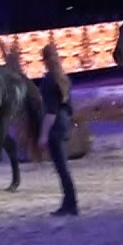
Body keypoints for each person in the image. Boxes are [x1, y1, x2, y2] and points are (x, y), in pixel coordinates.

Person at [38, 44, 78, 217]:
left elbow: (51, 112)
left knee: (61, 167)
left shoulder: (49, 80)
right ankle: (69, 202)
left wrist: (43, 135)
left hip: (55, 125)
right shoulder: (63, 78)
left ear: (45, 60)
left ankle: (71, 203)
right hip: (65, 122)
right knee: (63, 167)